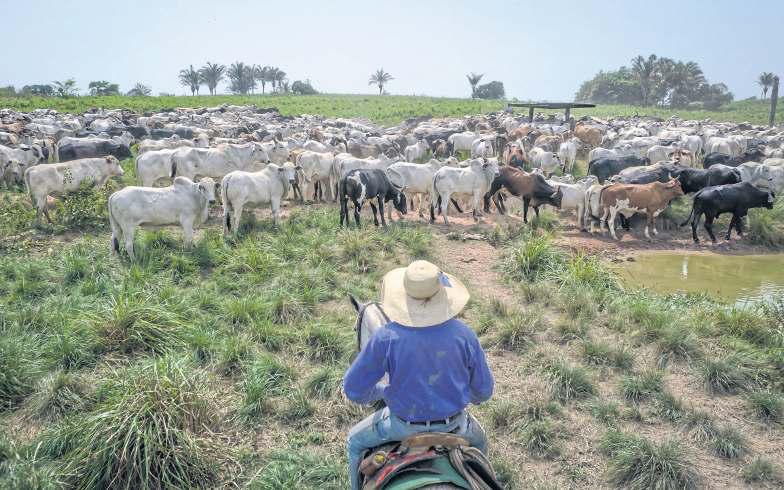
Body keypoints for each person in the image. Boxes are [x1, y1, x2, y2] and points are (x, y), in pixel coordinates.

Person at [343, 260, 494, 490]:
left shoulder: (386, 337)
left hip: (401, 426)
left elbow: (353, 390)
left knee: (354, 441)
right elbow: (483, 391)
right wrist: (463, 392)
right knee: (481, 445)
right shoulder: (464, 335)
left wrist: (382, 390)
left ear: (404, 297)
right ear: (442, 295)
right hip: (455, 426)